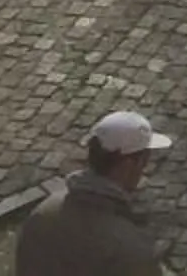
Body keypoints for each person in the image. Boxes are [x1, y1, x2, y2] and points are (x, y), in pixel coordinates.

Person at [15, 110, 171, 276]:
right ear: (127, 165)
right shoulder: (129, 249)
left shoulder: (42, 214)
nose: (144, 170)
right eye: (144, 161)